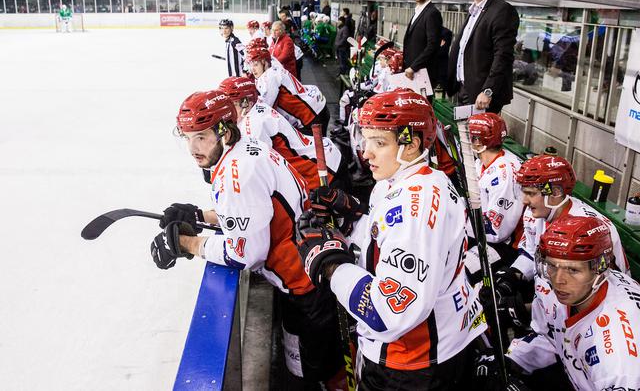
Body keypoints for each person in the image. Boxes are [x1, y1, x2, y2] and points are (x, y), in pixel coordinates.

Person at [152, 89, 346, 389]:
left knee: (318, 375)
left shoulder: (236, 174)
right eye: (187, 137)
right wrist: (198, 215)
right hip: (306, 271)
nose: (192, 148)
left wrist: (187, 244)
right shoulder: (247, 149)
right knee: (318, 364)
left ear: (224, 131)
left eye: (201, 136)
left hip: (304, 286)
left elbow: (243, 254)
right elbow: (255, 212)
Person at [294, 89, 487, 388]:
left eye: (379, 142)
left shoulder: (416, 206)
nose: (365, 152)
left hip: (411, 364)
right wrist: (352, 217)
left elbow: (388, 313)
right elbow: (385, 239)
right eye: (365, 138)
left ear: (411, 145)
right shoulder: (408, 179)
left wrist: (331, 266)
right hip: (425, 349)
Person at [507, 215, 640, 389]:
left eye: (573, 270)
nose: (558, 280)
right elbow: (556, 338)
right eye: (552, 266)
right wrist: (512, 360)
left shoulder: (623, 360)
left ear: (599, 268)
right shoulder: (582, 289)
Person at [484, 155, 630, 329]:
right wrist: (511, 277)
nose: (524, 200)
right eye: (524, 192)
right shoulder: (534, 214)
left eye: (530, 193)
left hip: (587, 323)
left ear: (555, 192)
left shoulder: (593, 230)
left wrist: (523, 311)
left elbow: (600, 287)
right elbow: (531, 253)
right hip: (547, 314)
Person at [218, 76, 350, 192]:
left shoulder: (253, 126)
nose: (228, 112)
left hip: (322, 170)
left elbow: (259, 174)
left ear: (247, 103)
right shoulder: (257, 109)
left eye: (232, 105)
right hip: (324, 156)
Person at [447, 0, 519, 113]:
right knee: (464, 136)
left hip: (482, 95)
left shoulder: (502, 10)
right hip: (464, 88)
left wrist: (488, 91)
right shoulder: (474, 10)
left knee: (479, 136)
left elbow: (503, 56)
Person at [467, 113, 524, 261]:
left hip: (506, 246)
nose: (466, 140)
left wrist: (458, 221)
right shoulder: (482, 162)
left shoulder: (502, 176)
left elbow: (495, 232)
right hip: (480, 231)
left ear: (478, 141)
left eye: (470, 136)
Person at [245, 38, 329, 132]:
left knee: (317, 146)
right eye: (251, 65)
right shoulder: (271, 67)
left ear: (265, 63)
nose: (252, 69)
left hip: (312, 114)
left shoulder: (270, 76)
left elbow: (264, 107)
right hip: (314, 106)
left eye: (256, 65)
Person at [402, 0, 443, 88]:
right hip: (412, 72)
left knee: (421, 105)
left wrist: (414, 67)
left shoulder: (432, 13)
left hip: (422, 73)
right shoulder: (418, 11)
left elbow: (433, 45)